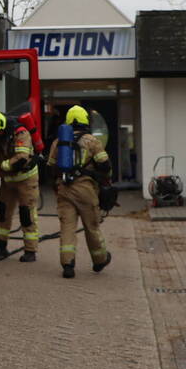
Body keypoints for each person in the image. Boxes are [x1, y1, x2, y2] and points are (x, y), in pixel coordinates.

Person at [47, 106, 112, 279]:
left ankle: (68, 264)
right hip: (85, 189)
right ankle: (100, 260)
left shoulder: (58, 141)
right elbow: (105, 165)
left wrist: (57, 185)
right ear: (84, 120)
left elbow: (51, 167)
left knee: (67, 227)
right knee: (92, 226)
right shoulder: (92, 141)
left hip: (64, 189)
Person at [0, 110, 40, 263]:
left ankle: (30, 250)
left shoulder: (21, 134)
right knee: (2, 212)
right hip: (8, 181)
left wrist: (0, 166)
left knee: (26, 214)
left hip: (26, 180)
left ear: (3, 126)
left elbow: (21, 159)